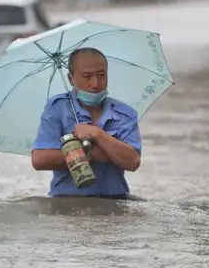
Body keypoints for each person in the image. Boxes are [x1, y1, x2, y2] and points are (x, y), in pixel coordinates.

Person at [31, 47, 142, 198]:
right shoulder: (57, 108)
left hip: (115, 203)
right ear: (71, 79)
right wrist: (95, 152)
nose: (95, 84)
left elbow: (133, 161)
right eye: (87, 76)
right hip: (66, 202)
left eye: (101, 75)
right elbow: (40, 159)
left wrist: (97, 134)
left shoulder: (125, 114)